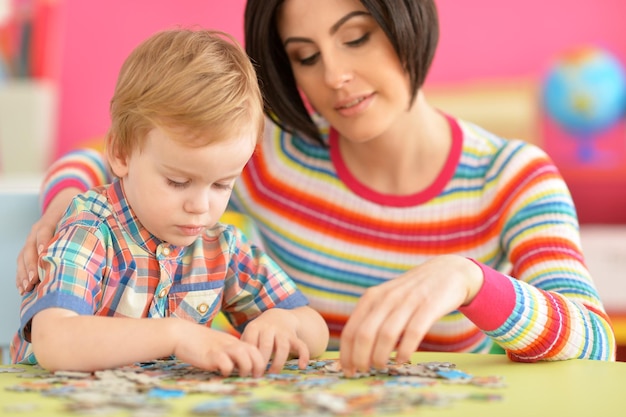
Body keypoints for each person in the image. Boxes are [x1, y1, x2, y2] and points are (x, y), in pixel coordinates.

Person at [15, 0, 615, 377]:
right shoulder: (272, 152)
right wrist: (66, 208)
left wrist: (470, 280)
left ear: (406, 16)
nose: (334, 77)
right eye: (304, 56)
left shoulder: (513, 176)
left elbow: (594, 343)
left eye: (356, 38)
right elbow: (106, 156)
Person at [9, 28, 329, 375]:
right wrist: (175, 335)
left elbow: (315, 329)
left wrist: (284, 323)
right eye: (178, 182)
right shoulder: (89, 230)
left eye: (222, 184)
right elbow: (55, 341)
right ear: (120, 153)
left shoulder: (221, 247)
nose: (200, 206)